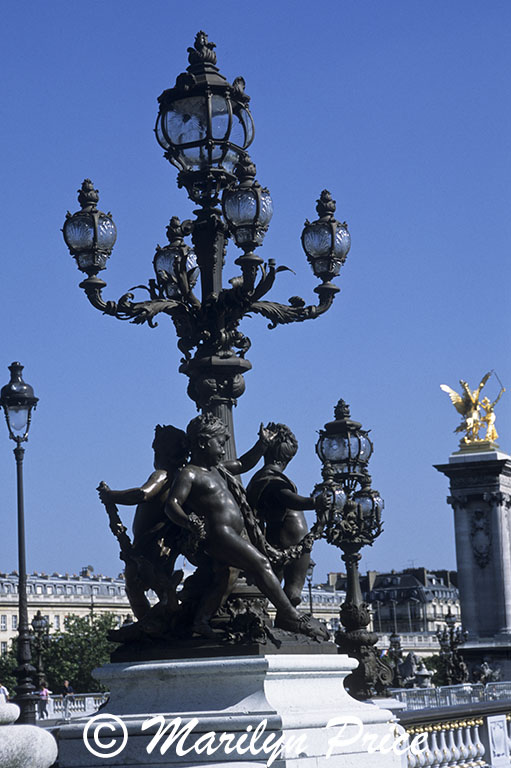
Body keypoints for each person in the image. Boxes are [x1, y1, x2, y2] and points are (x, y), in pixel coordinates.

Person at [165, 414, 328, 641]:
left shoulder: (218, 469)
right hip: (218, 534)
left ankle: (201, 621)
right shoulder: (190, 473)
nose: (223, 450)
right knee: (260, 563)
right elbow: (172, 504)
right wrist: (188, 521)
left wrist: (262, 444)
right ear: (203, 443)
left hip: (231, 534)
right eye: (220, 443)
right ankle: (289, 613)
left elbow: (243, 463)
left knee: (225, 579)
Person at [247, 422, 314, 607]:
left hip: (276, 538)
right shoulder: (273, 479)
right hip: (294, 540)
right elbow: (289, 499)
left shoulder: (262, 477)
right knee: (292, 591)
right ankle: (288, 621)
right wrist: (315, 502)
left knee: (274, 590)